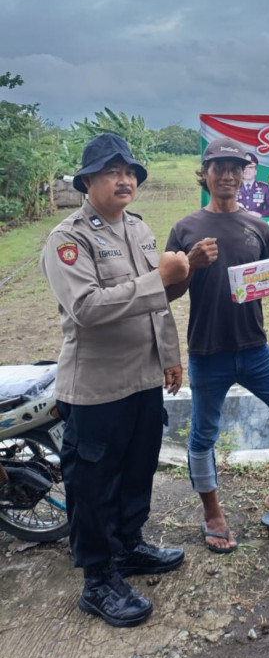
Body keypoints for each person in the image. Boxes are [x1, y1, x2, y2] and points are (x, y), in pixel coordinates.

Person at [40, 134, 188, 628]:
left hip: (143, 379)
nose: (125, 180)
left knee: (137, 470)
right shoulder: (69, 239)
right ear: (87, 182)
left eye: (130, 173)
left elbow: (157, 304)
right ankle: (98, 580)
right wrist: (158, 280)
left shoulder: (139, 230)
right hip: (97, 387)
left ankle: (129, 547)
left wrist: (169, 357)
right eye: (112, 172)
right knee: (93, 482)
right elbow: (85, 309)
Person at [166, 138, 269, 550]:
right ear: (206, 173)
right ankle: (212, 513)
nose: (227, 175)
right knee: (203, 437)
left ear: (244, 173)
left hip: (254, 349)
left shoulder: (258, 227)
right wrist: (189, 266)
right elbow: (166, 294)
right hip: (207, 352)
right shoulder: (185, 229)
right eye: (219, 167)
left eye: (235, 167)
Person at [235, 152, 269, 218]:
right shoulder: (233, 186)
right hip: (237, 223)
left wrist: (260, 215)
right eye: (244, 168)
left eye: (250, 168)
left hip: (257, 224)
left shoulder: (264, 187)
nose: (247, 171)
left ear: (255, 171)